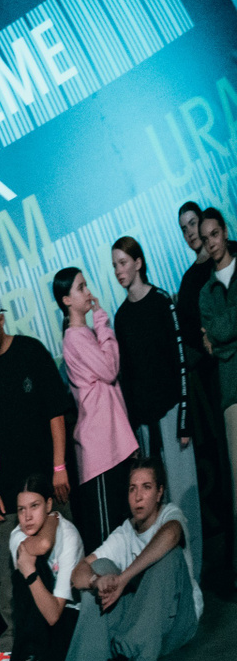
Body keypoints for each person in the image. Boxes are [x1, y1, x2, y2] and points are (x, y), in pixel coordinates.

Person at [0, 293, 75, 661]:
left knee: (63, 557)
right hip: (9, 493)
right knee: (8, 570)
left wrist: (59, 466)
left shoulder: (30, 351)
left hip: (47, 483)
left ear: (1, 321)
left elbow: (55, 412)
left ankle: (76, 627)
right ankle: (12, 645)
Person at [59, 456, 201, 661]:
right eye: (132, 488)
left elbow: (171, 535)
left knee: (168, 556)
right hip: (146, 632)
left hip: (178, 623)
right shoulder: (125, 532)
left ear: (159, 493)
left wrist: (123, 578)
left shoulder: (170, 514)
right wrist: (96, 581)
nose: (138, 496)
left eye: (146, 487)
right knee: (101, 567)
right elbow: (78, 572)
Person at [111, 236, 199, 577]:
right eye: (114, 265)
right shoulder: (121, 317)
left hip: (173, 416)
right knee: (153, 508)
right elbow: (128, 379)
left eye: (123, 262)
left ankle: (194, 575)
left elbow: (180, 363)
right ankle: (169, 579)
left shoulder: (162, 301)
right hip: (145, 427)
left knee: (184, 499)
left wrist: (184, 421)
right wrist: (134, 434)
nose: (118, 270)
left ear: (138, 263)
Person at [53, 267, 139, 553]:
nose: (88, 292)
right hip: (100, 452)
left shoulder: (85, 334)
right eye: (80, 287)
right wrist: (102, 320)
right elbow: (110, 368)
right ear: (66, 300)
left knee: (126, 530)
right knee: (110, 539)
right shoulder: (75, 338)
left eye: (86, 285)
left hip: (112, 445)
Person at [175, 201, 233, 591]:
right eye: (185, 228)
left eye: (195, 224)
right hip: (215, 386)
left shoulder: (228, 261)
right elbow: (194, 338)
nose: (193, 233)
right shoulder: (193, 283)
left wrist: (220, 336)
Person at [5, 475, 82, 661]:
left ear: (49, 504)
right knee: (26, 566)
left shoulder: (68, 535)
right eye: (21, 509)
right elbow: (41, 546)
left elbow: (54, 614)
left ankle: (41, 658)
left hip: (67, 610)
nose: (27, 517)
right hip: (37, 613)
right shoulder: (17, 534)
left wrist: (30, 572)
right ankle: (30, 658)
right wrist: (29, 571)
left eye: (34, 506)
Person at [197, 210, 237, 568]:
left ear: (225, 232)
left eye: (215, 234)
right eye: (205, 237)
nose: (211, 242)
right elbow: (217, 336)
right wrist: (222, 336)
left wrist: (222, 338)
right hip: (231, 393)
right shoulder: (205, 293)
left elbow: (220, 336)